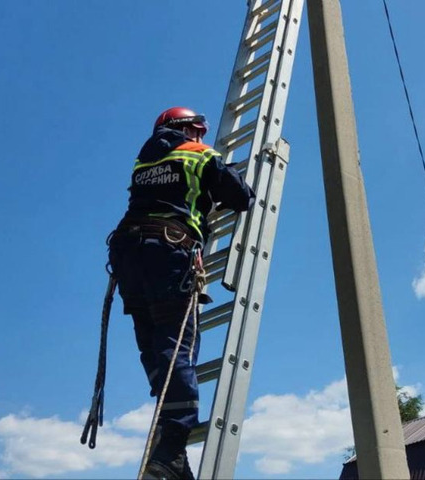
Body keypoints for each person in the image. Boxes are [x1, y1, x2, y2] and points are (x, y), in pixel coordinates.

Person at [107, 107, 255, 479]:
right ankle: (173, 443)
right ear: (186, 128)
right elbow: (240, 197)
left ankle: (172, 456)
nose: (202, 138)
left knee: (154, 346)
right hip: (168, 252)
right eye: (198, 131)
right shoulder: (198, 154)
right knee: (177, 345)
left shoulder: (143, 163)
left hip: (128, 255)